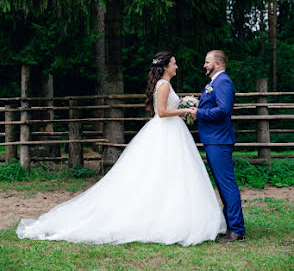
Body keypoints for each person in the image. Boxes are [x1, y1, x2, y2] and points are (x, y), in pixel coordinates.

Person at [17, 51, 226, 246]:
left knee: (172, 175)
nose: (177, 66)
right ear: (165, 67)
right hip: (166, 131)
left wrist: (181, 109)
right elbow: (162, 112)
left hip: (172, 131)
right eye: (174, 64)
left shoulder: (164, 84)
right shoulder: (163, 85)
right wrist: (184, 110)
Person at [190, 50, 245, 242]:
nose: (204, 65)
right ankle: (231, 225)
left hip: (219, 140)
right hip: (213, 139)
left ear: (218, 64)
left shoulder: (223, 82)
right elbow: (213, 105)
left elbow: (224, 110)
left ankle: (237, 230)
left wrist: (200, 113)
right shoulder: (213, 82)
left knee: (227, 185)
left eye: (207, 62)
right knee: (222, 186)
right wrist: (199, 105)